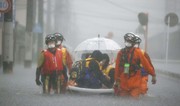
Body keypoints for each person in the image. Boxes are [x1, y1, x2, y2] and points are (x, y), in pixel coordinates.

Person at [114, 32, 156, 98]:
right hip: (124, 78)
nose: (128, 42)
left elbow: (146, 64)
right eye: (127, 41)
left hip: (135, 78)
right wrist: (117, 80)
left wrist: (153, 75)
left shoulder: (138, 52)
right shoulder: (121, 53)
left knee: (134, 97)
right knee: (123, 98)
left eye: (130, 41)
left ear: (133, 43)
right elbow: (117, 67)